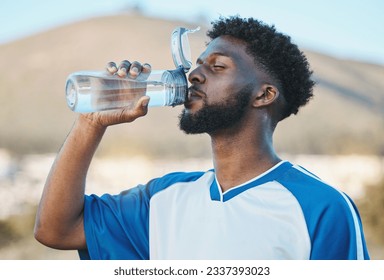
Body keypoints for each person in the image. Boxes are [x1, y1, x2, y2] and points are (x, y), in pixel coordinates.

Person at [34, 16, 370, 260]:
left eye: (218, 67)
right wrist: (91, 123)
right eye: (197, 64)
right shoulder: (163, 198)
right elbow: (56, 230)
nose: (194, 74)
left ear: (264, 95)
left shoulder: (321, 207)